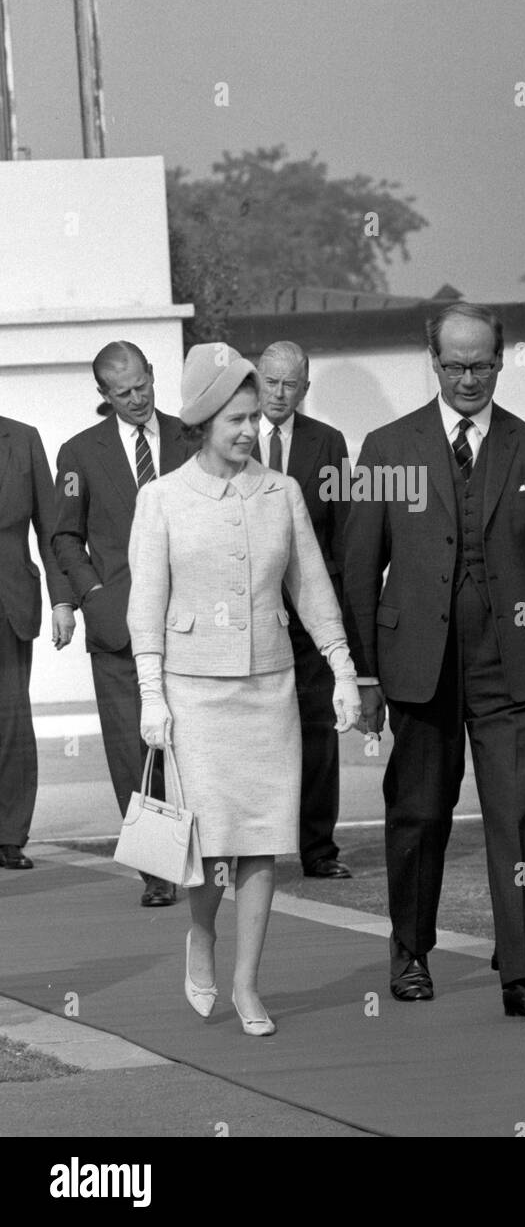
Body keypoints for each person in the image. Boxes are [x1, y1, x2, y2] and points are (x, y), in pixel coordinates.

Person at [343, 301, 525, 1023]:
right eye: (454, 365)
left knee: (513, 816)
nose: (468, 378)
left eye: (481, 364)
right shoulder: (385, 448)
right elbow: (358, 567)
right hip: (418, 667)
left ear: (501, 360)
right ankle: (410, 953)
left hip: (507, 668)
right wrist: (368, 674)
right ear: (432, 362)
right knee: (416, 815)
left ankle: (521, 972)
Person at [127, 343, 361, 1036]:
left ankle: (248, 986)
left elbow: (312, 586)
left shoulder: (280, 492)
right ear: (202, 421)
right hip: (193, 693)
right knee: (205, 842)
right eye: (234, 419)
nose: (248, 430)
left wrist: (342, 669)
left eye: (253, 417)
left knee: (263, 839)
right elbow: (146, 603)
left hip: (270, 688)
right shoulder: (161, 498)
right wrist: (150, 693)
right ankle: (202, 933)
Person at [52, 341, 190, 906]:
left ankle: (204, 857)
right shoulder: (77, 453)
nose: (136, 399)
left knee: (193, 743)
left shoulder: (194, 437)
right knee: (133, 751)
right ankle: (156, 871)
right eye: (122, 392)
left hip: (192, 621)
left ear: (153, 375)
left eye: (142, 386)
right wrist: (92, 597)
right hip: (118, 629)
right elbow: (65, 535)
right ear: (103, 396)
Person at [257, 340, 352, 879]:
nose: (279, 392)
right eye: (271, 381)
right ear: (256, 378)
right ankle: (256, 849)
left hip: (312, 615)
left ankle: (319, 849)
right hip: (252, 613)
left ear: (305, 389)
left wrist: (341, 615)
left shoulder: (328, 442)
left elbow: (344, 532)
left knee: (319, 732)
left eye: (290, 384)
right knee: (258, 733)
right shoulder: (235, 436)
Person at [0, 417, 75, 870]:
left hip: (10, 602)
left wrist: (61, 601)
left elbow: (52, 528)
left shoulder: (23, 438)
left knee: (9, 723)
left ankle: (9, 834)